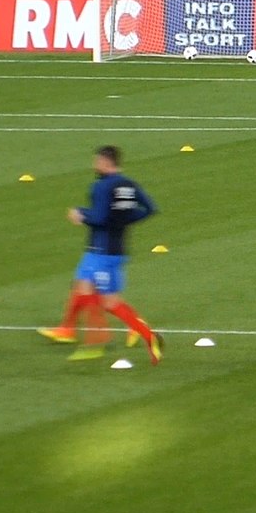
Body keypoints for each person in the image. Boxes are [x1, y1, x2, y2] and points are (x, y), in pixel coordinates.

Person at [60, 146, 162, 363]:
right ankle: (76, 334)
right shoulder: (129, 184)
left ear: (106, 162)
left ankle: (145, 336)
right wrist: (124, 221)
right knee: (83, 288)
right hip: (117, 250)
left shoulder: (102, 186)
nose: (94, 165)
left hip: (101, 252)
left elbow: (99, 218)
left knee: (108, 302)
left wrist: (81, 215)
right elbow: (150, 208)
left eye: (97, 161)